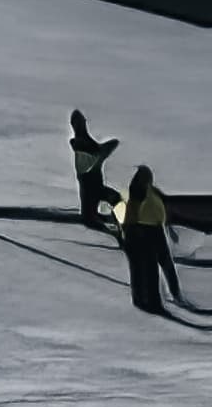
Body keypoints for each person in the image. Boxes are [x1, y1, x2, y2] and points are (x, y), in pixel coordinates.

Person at [116, 166, 184, 315]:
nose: (150, 179)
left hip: (156, 230)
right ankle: (150, 302)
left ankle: (174, 294)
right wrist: (129, 232)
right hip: (143, 231)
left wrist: (169, 228)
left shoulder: (152, 190)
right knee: (148, 269)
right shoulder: (137, 190)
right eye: (147, 176)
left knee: (165, 264)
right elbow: (131, 213)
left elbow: (161, 209)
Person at [72, 110, 121, 228]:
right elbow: (102, 151)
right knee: (90, 217)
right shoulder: (81, 143)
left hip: (93, 188)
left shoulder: (81, 142)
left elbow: (102, 150)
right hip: (92, 188)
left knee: (115, 201)